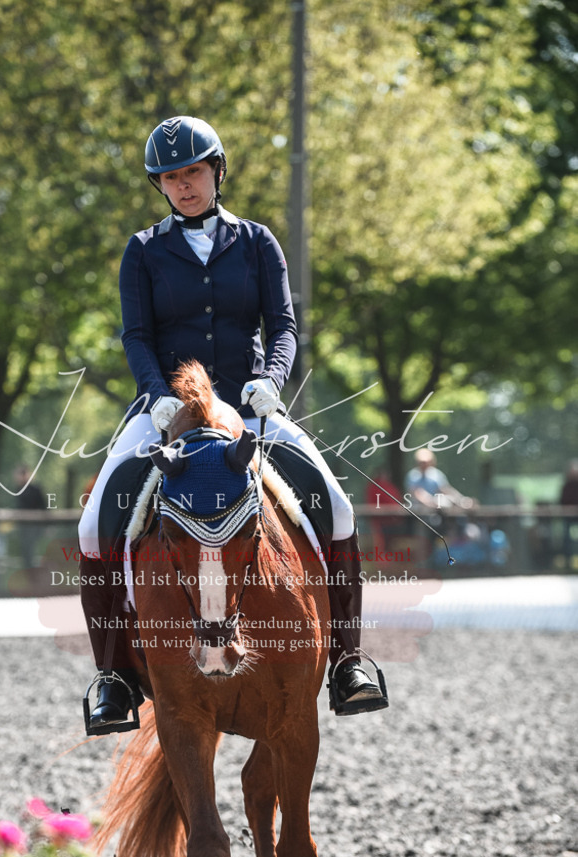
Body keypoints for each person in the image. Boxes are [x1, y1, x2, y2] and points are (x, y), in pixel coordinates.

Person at [78, 115, 387, 732]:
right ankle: (113, 676)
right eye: (170, 177)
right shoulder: (144, 250)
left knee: (338, 509)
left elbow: (284, 325)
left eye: (192, 171)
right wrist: (153, 395)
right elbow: (136, 334)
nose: (183, 185)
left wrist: (272, 380)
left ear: (216, 171)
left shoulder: (257, 241)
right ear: (160, 186)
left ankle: (349, 661)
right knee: (93, 525)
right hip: (167, 413)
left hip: (249, 410)